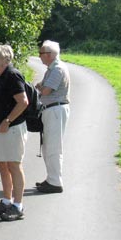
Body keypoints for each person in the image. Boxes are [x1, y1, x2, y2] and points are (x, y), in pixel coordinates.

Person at [0, 45, 29, 221]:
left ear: (4, 59)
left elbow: (23, 102)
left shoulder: (12, 75)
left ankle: (17, 206)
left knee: (13, 164)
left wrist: (7, 120)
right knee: (1, 164)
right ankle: (6, 200)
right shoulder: (0, 76)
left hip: (12, 128)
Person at [35, 40, 70, 193]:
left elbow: (46, 90)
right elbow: (41, 87)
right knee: (48, 146)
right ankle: (51, 178)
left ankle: (55, 182)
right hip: (52, 109)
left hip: (56, 109)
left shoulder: (57, 69)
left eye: (41, 53)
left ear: (49, 54)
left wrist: (41, 87)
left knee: (53, 147)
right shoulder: (52, 68)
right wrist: (41, 87)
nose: (39, 56)